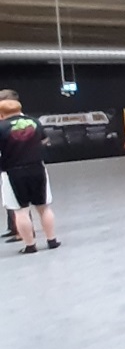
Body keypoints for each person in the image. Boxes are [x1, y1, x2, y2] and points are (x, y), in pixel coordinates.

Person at [0, 99, 59, 254]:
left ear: (1, 114)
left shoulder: (1, 127)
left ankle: (30, 245)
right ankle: (52, 240)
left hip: (12, 172)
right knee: (43, 207)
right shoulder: (35, 122)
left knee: (21, 211)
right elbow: (45, 141)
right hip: (37, 168)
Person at [0, 89, 21, 242]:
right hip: (7, 163)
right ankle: (13, 227)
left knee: (16, 199)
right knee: (8, 197)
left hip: (13, 164)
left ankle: (21, 230)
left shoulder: (14, 122)